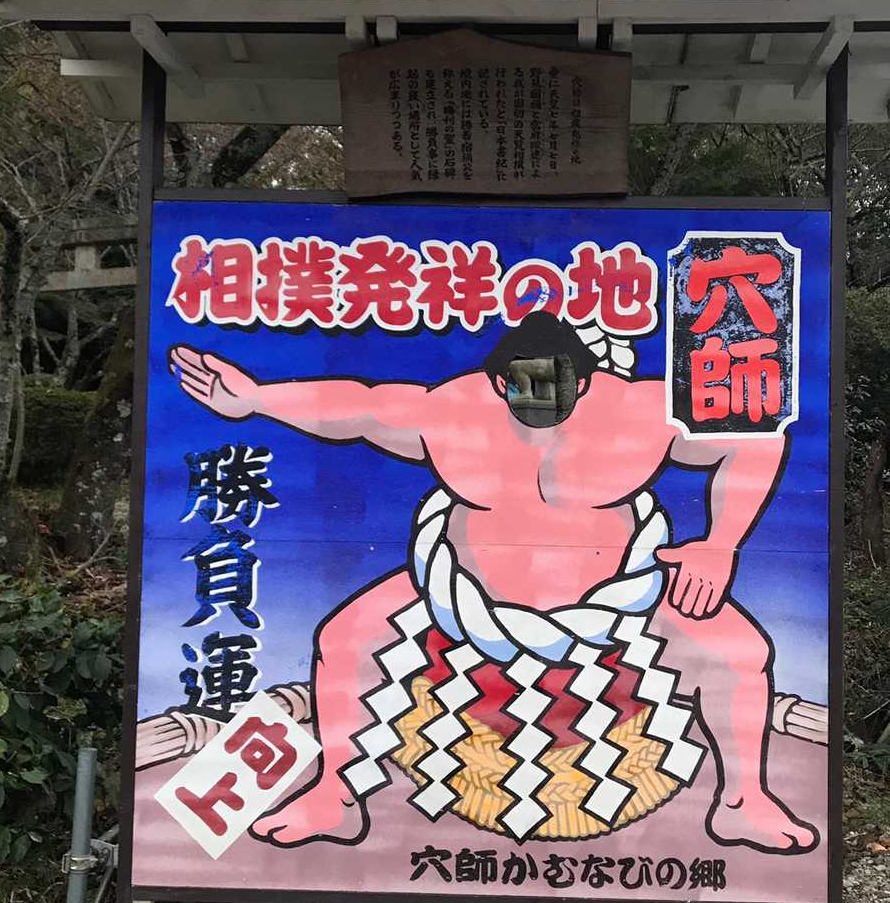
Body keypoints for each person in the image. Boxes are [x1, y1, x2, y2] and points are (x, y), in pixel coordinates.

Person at [169, 311, 817, 856]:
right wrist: (258, 398)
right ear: (499, 381)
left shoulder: (641, 412)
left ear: (586, 381)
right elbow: (360, 407)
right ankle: (334, 796)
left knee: (742, 653)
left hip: (624, 593)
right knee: (344, 641)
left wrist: (719, 544)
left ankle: (743, 800)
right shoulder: (454, 411)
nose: (540, 402)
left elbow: (753, 439)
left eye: (557, 387)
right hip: (460, 591)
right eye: (523, 386)